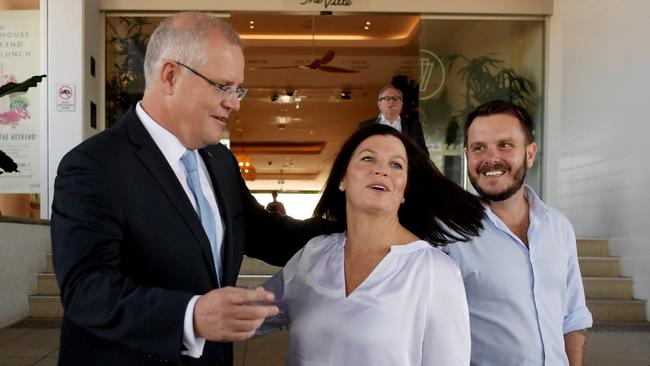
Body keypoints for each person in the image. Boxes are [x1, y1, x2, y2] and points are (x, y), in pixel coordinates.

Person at [50, 12, 337, 366]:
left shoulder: (219, 161)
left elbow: (267, 234)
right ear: (170, 76)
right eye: (223, 86)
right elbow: (87, 290)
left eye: (238, 89)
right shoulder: (94, 165)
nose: (234, 102)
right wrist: (192, 316)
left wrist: (362, 227)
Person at [257, 124, 485, 365]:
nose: (381, 170)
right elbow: (242, 316)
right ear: (343, 178)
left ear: (404, 190)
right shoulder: (313, 255)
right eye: (368, 158)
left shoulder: (436, 271)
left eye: (396, 164)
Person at [445, 100, 593, 365]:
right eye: (479, 148)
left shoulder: (559, 227)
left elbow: (573, 315)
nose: (491, 158)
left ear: (530, 153)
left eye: (505, 145)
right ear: (468, 156)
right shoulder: (447, 235)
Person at [359, 84, 429, 156]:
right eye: (387, 98)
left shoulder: (414, 126)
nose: (392, 101)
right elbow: (360, 153)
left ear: (401, 104)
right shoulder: (366, 126)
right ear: (379, 104)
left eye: (395, 98)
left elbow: (424, 154)